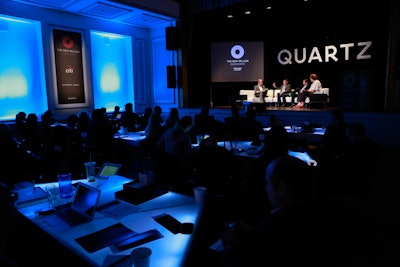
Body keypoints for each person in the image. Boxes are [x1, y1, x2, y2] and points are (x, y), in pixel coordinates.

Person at [217, 155, 318, 267]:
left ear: (282, 189)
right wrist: (253, 232)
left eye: (267, 183)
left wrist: (229, 246)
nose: (265, 189)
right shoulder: (309, 216)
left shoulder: (275, 227)